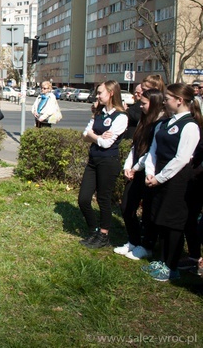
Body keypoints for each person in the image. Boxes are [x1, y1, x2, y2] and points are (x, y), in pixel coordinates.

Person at [141, 84, 202, 281]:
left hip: (177, 180)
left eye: (168, 98)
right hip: (159, 175)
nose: (164, 101)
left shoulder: (190, 125)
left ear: (179, 100)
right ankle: (162, 259)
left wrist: (159, 178)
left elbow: (182, 158)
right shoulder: (163, 123)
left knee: (173, 222)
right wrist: (151, 172)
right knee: (160, 219)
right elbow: (153, 150)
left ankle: (171, 266)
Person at [115, 89, 167, 261]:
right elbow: (135, 146)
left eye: (144, 103)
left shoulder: (161, 122)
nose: (141, 106)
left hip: (148, 172)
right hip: (135, 170)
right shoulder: (143, 120)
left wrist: (136, 167)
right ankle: (134, 240)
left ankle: (147, 246)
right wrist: (128, 165)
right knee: (127, 207)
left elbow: (152, 152)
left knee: (148, 213)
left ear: (154, 103)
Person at [78, 80, 128, 248]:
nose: (97, 96)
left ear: (111, 93)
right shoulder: (99, 113)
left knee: (103, 198)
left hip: (108, 162)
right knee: (83, 198)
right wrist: (97, 137)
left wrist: (93, 136)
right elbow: (84, 135)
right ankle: (94, 230)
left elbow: (107, 144)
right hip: (93, 160)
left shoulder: (121, 117)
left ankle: (104, 235)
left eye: (100, 93)